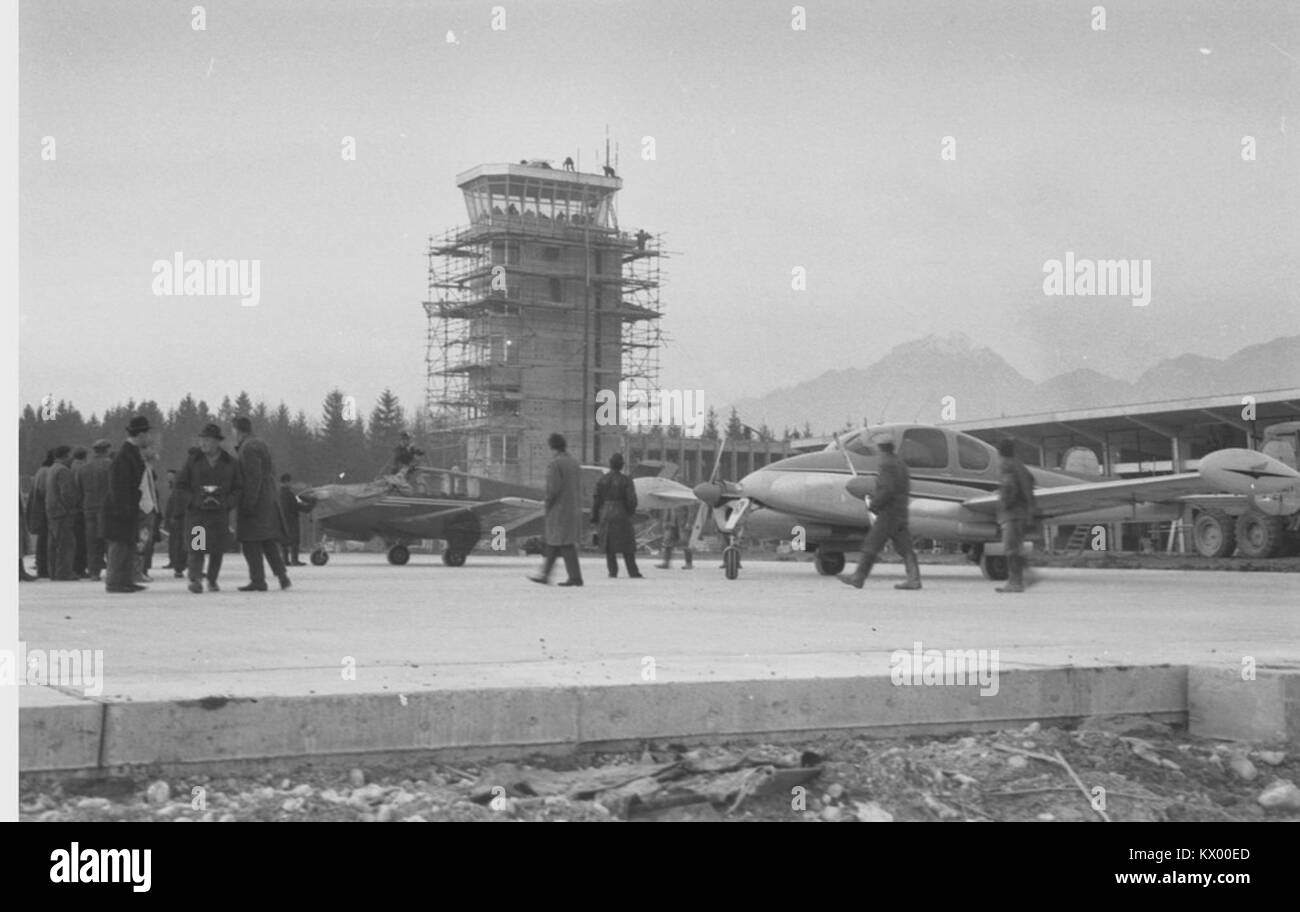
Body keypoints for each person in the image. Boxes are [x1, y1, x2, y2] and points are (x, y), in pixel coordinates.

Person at [845, 439, 921, 590]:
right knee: (905, 547)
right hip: (900, 511)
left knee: (871, 544)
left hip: (888, 513)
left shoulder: (886, 464)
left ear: (881, 449)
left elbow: (887, 489)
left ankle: (858, 577)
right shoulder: (900, 464)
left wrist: (875, 504)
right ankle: (914, 579)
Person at [176, 424, 241, 593]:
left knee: (216, 549)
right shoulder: (193, 461)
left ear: (217, 442)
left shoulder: (230, 463)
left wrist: (228, 503)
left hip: (219, 514)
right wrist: (192, 500)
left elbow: (239, 488)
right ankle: (195, 579)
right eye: (201, 440)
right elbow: (181, 486)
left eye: (207, 440)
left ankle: (212, 580)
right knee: (197, 548)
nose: (203, 443)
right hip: (198, 514)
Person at [232, 416, 291, 591]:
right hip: (269, 498)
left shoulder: (248, 448)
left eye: (233, 430)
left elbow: (253, 477)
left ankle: (258, 579)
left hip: (257, 501)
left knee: (250, 542)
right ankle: (282, 576)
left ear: (238, 430)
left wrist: (249, 502)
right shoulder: (260, 443)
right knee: (267, 541)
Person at [101, 416, 152, 593]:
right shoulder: (125, 455)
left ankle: (125, 580)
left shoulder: (130, 453)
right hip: (121, 508)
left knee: (128, 544)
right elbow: (118, 485)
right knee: (119, 545)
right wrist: (124, 508)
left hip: (127, 506)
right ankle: (115, 582)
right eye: (147, 434)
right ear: (141, 434)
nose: (149, 438)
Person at [528, 433, 584, 586]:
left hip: (559, 509)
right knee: (555, 543)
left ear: (552, 447)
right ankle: (545, 574)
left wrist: (547, 503)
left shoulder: (555, 464)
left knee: (564, 543)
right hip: (572, 507)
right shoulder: (574, 463)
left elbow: (553, 489)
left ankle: (575, 577)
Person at [995, 439, 1037, 593]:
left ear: (1000, 452)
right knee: (1015, 548)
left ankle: (1015, 582)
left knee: (1011, 549)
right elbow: (1029, 482)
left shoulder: (1008, 466)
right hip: (1021, 513)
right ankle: (1026, 576)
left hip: (1012, 513)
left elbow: (1008, 487)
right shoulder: (1020, 466)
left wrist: (1003, 502)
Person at [593, 452, 642, 578]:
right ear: (621, 465)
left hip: (605, 512)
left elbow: (596, 500)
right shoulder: (626, 480)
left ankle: (612, 571)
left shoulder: (602, 480)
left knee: (609, 546)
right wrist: (630, 511)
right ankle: (633, 571)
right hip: (621, 513)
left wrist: (594, 517)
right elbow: (632, 500)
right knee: (627, 545)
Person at [45, 445, 79, 581]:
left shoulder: (51, 469)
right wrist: (72, 508)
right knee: (66, 544)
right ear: (66, 455)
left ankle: (53, 572)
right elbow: (67, 493)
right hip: (62, 513)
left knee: (53, 544)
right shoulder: (64, 471)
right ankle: (64, 573)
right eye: (70, 455)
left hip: (51, 511)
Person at [81, 439, 112, 581]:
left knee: (92, 541)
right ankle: (112, 570)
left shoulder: (85, 467)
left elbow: (78, 487)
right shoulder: (111, 465)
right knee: (109, 540)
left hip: (89, 507)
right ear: (106, 450)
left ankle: (94, 572)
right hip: (107, 507)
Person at [135, 447, 162, 583]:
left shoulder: (148, 470)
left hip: (149, 509)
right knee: (143, 542)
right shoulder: (142, 470)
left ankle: (142, 570)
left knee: (146, 542)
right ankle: (139, 570)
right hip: (145, 509)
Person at [27, 450, 53, 578]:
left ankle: (42, 566)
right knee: (44, 540)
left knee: (42, 540)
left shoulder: (41, 470)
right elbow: (45, 491)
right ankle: (43, 568)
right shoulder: (46, 472)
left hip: (41, 511)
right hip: (44, 512)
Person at [278, 473, 307, 566]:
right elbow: (295, 505)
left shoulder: (278, 493)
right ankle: (295, 560)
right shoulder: (289, 494)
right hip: (291, 520)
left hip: (281, 520)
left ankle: (285, 560)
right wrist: (309, 505)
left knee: (284, 541)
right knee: (294, 540)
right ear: (287, 482)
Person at [163, 467, 187, 576]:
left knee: (179, 542)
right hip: (196, 516)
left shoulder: (179, 487)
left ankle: (180, 568)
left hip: (188, 517)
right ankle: (196, 569)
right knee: (196, 545)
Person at [70, 447, 88, 576]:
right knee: (82, 540)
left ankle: (76, 567)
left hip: (74, 508)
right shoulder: (83, 468)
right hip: (80, 508)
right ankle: (80, 568)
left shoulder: (71, 466)